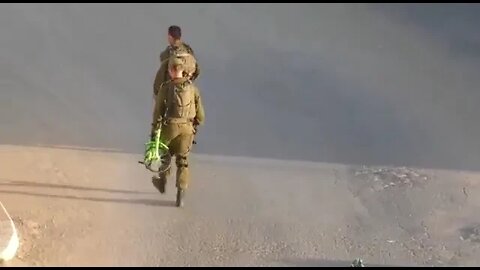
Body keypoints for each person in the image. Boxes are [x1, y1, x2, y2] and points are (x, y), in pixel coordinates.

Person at [150, 56, 205, 207]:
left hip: (169, 129)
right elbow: (201, 116)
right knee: (183, 162)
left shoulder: (165, 88)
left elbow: (158, 113)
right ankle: (181, 192)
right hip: (187, 130)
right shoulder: (193, 90)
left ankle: (162, 181)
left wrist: (155, 132)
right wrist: (194, 125)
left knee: (164, 156)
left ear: (170, 71)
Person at [153, 25, 200, 98]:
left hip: (170, 94)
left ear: (170, 36)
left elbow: (160, 78)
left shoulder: (167, 55)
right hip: (187, 93)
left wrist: (157, 93)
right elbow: (197, 71)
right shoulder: (188, 52)